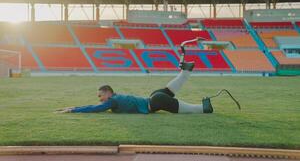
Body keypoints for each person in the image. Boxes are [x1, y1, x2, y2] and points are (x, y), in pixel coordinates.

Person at [56, 61, 213, 114]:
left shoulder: (112, 101)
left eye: (100, 95)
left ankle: (204, 108)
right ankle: (185, 71)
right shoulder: (116, 98)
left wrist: (73, 109)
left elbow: (94, 108)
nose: (100, 99)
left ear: (108, 93)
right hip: (152, 98)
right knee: (166, 91)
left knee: (189, 109)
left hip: (154, 102)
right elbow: (95, 105)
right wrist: (74, 107)